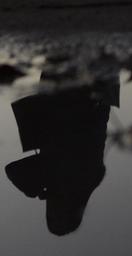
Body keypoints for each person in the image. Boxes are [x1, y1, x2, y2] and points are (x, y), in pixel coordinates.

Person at [6, 56, 120, 236]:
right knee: (77, 48)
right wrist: (36, 188)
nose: (54, 211)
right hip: (80, 101)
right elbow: (15, 171)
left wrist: (36, 189)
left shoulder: (65, 181)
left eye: (51, 215)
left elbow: (12, 170)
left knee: (62, 48)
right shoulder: (79, 179)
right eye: (58, 216)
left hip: (66, 102)